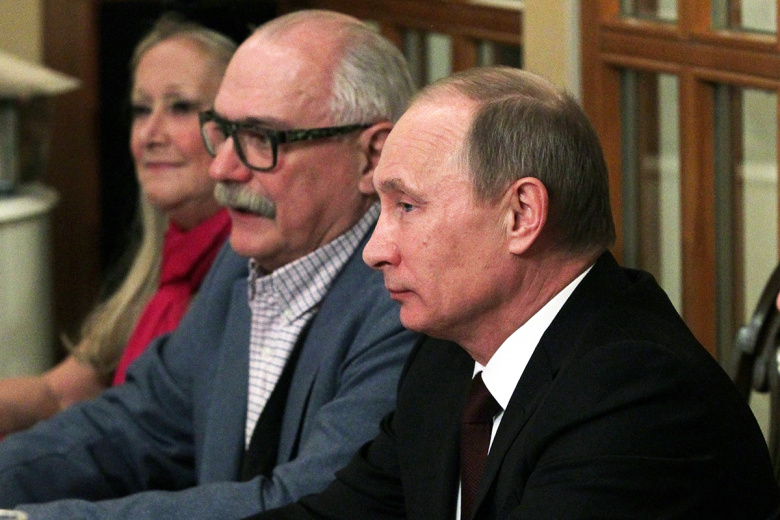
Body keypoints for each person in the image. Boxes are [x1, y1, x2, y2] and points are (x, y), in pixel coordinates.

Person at [249, 67, 780, 520]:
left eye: (407, 207)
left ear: (522, 214)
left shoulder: (636, 393)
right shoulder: (445, 361)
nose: (375, 250)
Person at [0, 10, 419, 520]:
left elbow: (307, 505)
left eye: (262, 139)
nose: (222, 167)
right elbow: (140, 425)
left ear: (372, 157)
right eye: (222, 132)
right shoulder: (240, 263)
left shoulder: (408, 301)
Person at [0, 15, 235, 436]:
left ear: (237, 129)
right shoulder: (162, 264)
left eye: (180, 107)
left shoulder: (251, 266)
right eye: (141, 110)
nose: (150, 134)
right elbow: (58, 393)